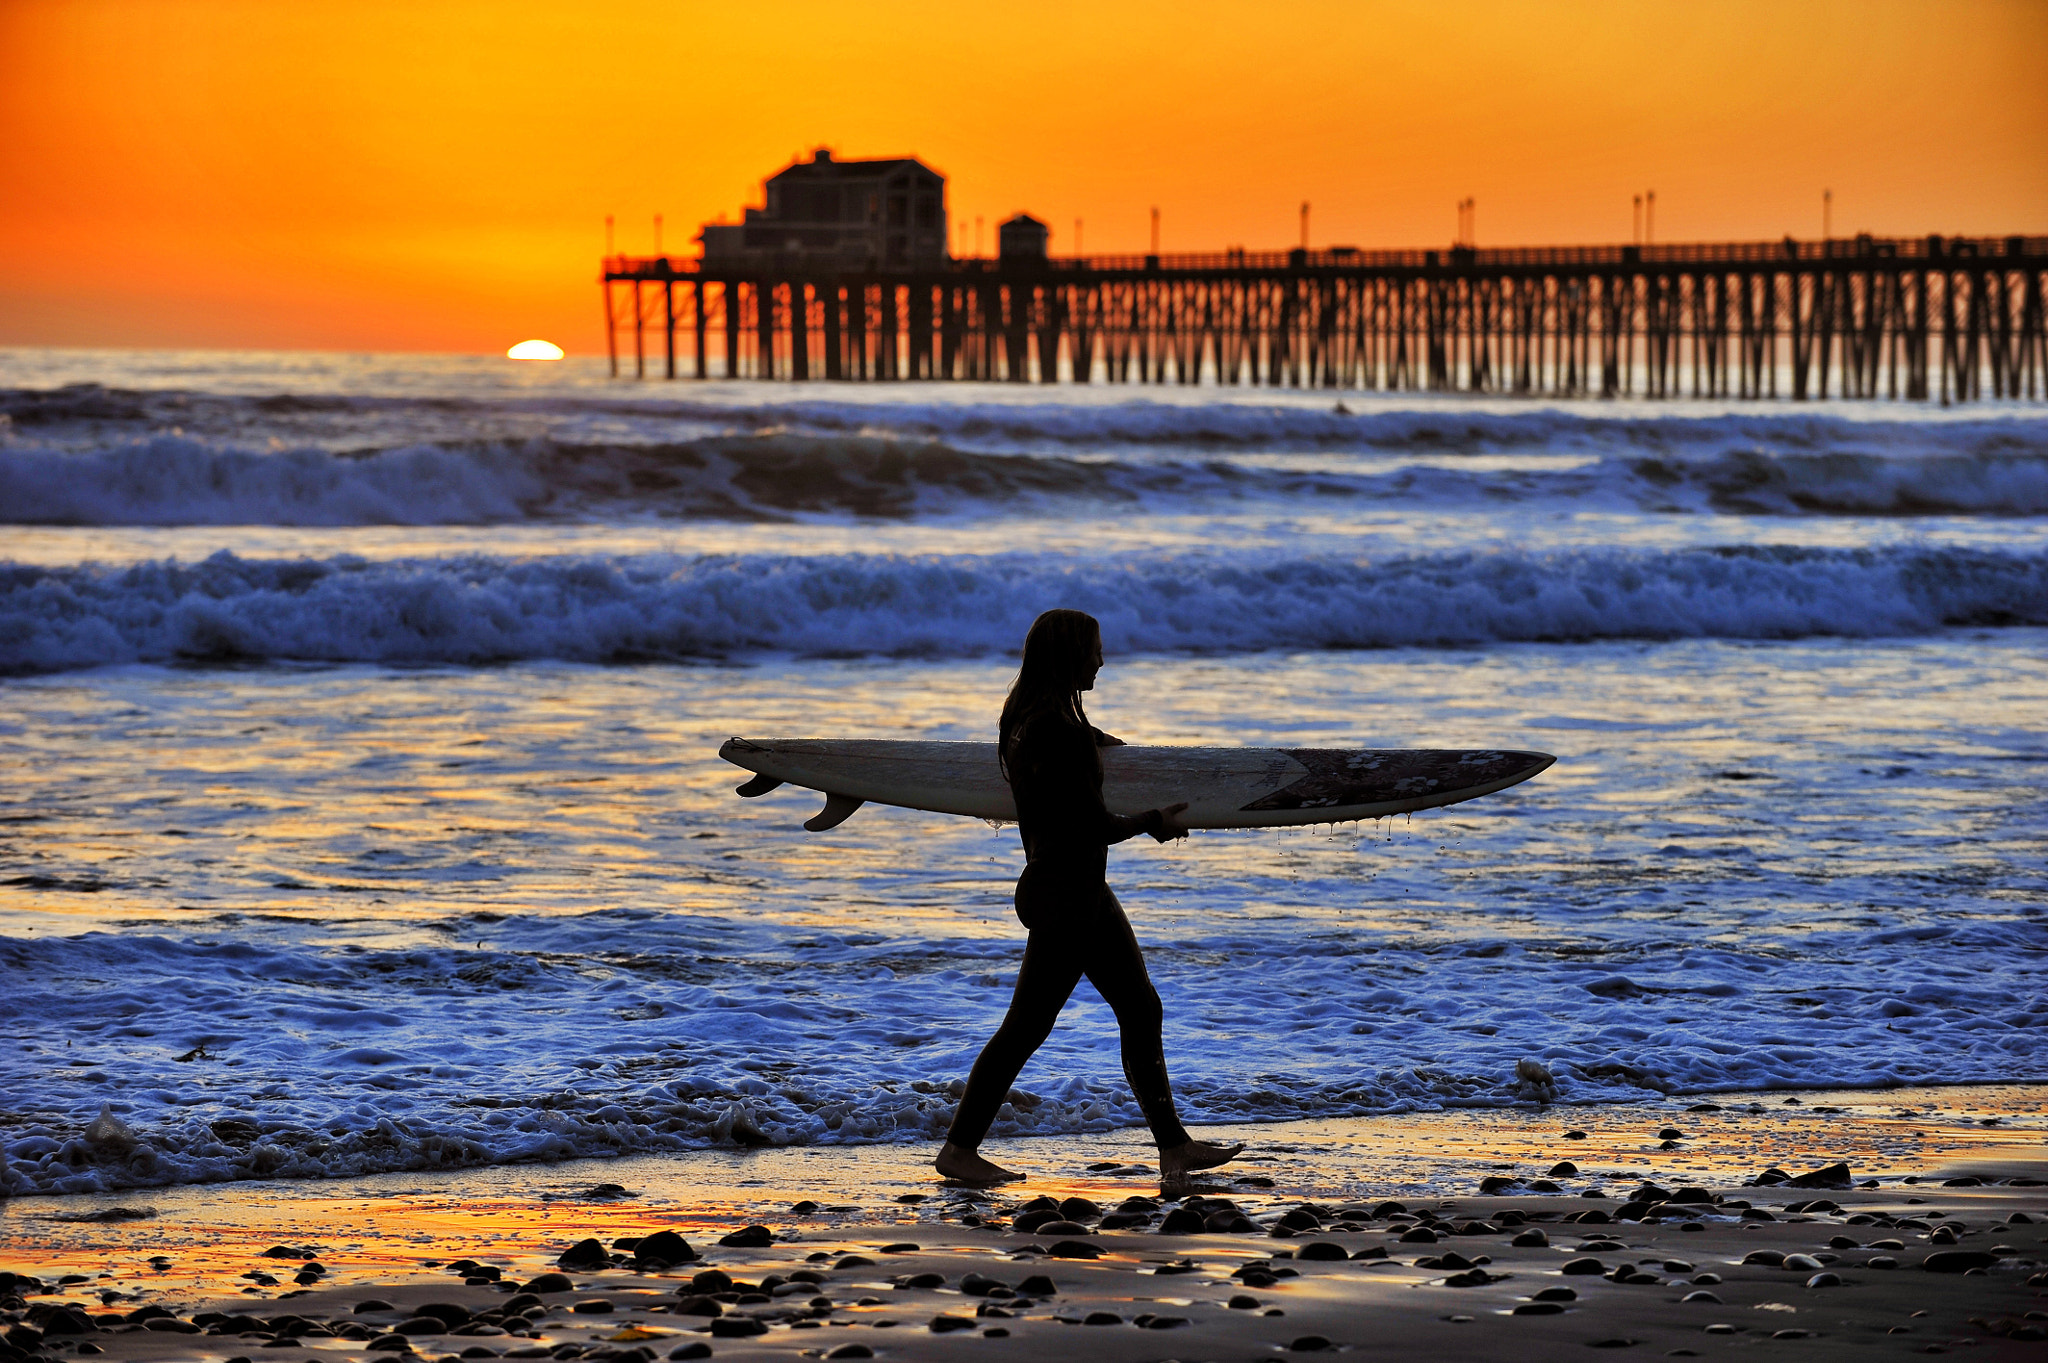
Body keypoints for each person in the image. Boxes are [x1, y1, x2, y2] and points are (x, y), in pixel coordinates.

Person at [935, 608, 1244, 1185]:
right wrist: (1151, 819)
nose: (1102, 660)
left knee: (1138, 1008)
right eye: (1094, 650)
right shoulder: (1057, 733)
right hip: (1068, 896)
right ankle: (958, 1151)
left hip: (1074, 890)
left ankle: (1174, 1146)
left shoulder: (1028, 721)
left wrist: (1096, 745)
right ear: (1068, 655)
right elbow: (1087, 826)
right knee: (1027, 1026)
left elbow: (1061, 801)